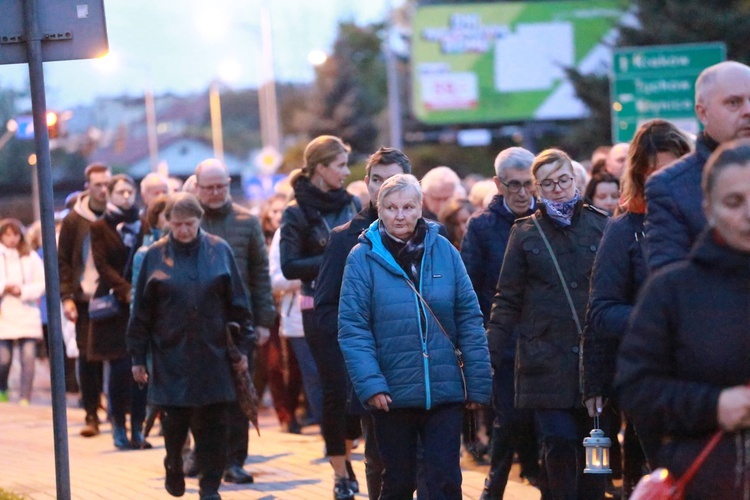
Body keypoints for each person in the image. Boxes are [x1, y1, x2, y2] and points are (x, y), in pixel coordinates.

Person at [338, 173, 492, 499]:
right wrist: (371, 384)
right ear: (379, 210)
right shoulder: (363, 257)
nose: (400, 215)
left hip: (444, 388)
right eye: (391, 207)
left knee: (445, 481)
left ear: (420, 208)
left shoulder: (444, 251)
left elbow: (469, 317)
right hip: (391, 393)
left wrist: (477, 383)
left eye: (408, 207)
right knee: (397, 482)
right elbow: (353, 328)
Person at [615, 138, 750, 498]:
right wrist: (714, 405)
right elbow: (636, 388)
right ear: (709, 208)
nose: (749, 213)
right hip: (707, 481)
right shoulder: (673, 291)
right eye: (734, 202)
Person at [487, 149, 608, 499]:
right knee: (557, 441)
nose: (558, 189)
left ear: (576, 179)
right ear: (538, 189)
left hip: (593, 361)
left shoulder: (601, 224)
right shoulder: (525, 232)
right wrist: (489, 355)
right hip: (544, 359)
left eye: (564, 180)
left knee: (594, 447)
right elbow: (507, 297)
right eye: (549, 183)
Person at [582, 119, 692, 496]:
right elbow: (600, 311)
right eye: (655, 173)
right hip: (656, 380)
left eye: (674, 171)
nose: (665, 182)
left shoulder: (712, 219)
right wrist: (657, 321)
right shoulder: (625, 229)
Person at [128, 193, 255, 500]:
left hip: (214, 354)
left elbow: (238, 303)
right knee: (174, 424)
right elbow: (141, 312)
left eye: (190, 224)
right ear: (167, 223)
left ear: (200, 221)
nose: (184, 230)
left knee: (214, 426)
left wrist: (244, 348)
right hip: (172, 355)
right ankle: (173, 462)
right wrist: (137, 357)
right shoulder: (154, 256)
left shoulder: (219, 250)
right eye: (177, 224)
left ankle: (209, 487)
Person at [315, 147, 413, 499]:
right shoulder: (346, 237)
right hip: (375, 369)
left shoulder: (429, 232)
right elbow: (326, 309)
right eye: (376, 180)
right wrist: (360, 351)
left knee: (431, 465)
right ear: (367, 183)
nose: (383, 188)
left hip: (424, 365)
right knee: (382, 462)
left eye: (392, 181)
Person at [279, 135, 360, 500]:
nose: (346, 172)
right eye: (340, 165)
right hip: (319, 309)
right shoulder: (297, 212)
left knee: (359, 388)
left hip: (358, 305)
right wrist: (335, 256)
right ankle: (340, 470)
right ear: (322, 168)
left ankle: (354, 450)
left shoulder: (353, 204)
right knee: (334, 390)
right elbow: (289, 264)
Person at [461, 147, 540, 498]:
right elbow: (468, 286)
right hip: (503, 339)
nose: (522, 193)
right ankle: (496, 484)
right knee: (507, 418)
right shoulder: (481, 227)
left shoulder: (548, 219)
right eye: (514, 185)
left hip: (544, 337)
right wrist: (487, 333)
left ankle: (543, 478)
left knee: (543, 418)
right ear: (498, 184)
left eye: (528, 184)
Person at [194, 158, 276, 484]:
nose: (215, 193)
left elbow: (260, 274)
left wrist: (265, 320)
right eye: (209, 187)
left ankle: (235, 460)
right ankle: (203, 456)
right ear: (197, 187)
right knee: (200, 396)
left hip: (239, 324)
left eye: (221, 186)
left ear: (229, 184)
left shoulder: (247, 222)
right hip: (196, 326)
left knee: (239, 392)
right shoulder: (189, 222)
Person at [645, 60, 750, 271]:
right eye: (733, 102)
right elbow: (672, 286)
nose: (748, 111)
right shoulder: (669, 187)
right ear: (703, 113)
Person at [89, 173, 148, 450]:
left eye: (129, 192)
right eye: (120, 192)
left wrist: (141, 290)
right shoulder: (100, 227)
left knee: (141, 368)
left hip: (141, 303)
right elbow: (101, 265)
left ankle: (138, 427)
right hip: (115, 304)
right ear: (109, 195)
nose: (126, 197)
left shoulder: (143, 224)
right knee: (119, 368)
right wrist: (125, 290)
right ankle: (118, 427)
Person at [58, 163, 110, 437]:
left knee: (119, 360)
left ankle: (119, 415)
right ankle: (91, 414)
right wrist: (66, 297)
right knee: (88, 358)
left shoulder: (119, 214)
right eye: (98, 184)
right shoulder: (74, 220)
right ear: (88, 186)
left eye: (107, 184)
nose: (103, 189)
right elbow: (63, 261)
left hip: (115, 298)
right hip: (84, 299)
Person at [255, 193, 304, 434]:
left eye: (281, 211)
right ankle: (284, 414)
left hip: (290, 307)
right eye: (273, 211)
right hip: (269, 309)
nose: (277, 216)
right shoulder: (260, 239)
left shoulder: (293, 235)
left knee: (295, 364)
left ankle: (293, 410)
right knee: (274, 364)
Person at [0, 219, 45, 405]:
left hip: (27, 311)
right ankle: (2, 389)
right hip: (5, 312)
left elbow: (42, 282)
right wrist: (5, 287)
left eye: (15, 234)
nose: (11, 239)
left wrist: (23, 291)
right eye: (7, 234)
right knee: (4, 359)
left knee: (28, 357)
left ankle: (25, 396)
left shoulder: (31, 257)